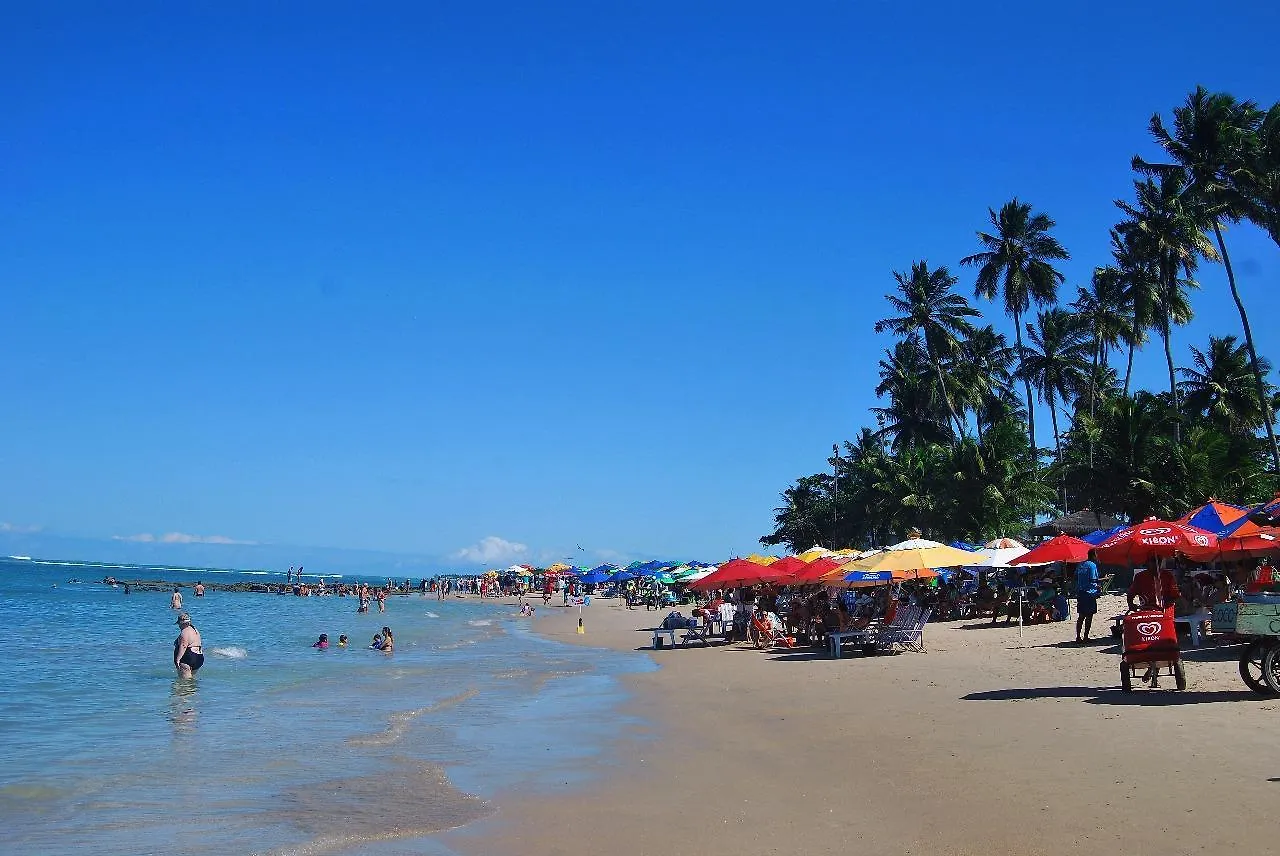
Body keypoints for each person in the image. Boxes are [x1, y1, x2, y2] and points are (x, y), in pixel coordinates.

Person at [1075, 549, 1101, 643]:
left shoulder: (1081, 565)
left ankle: (1078, 637)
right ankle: (1086, 637)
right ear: (1094, 555)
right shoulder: (1092, 565)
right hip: (1090, 593)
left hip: (1081, 592)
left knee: (1081, 616)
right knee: (1089, 616)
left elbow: (1077, 577)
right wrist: (1102, 580)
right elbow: (1093, 579)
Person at [173, 613, 203, 677]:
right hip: (199, 657)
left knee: (185, 683)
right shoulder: (194, 629)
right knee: (191, 681)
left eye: (179, 624)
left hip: (188, 658)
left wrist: (177, 660)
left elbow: (183, 646)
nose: (179, 626)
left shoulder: (184, 632)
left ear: (182, 623)